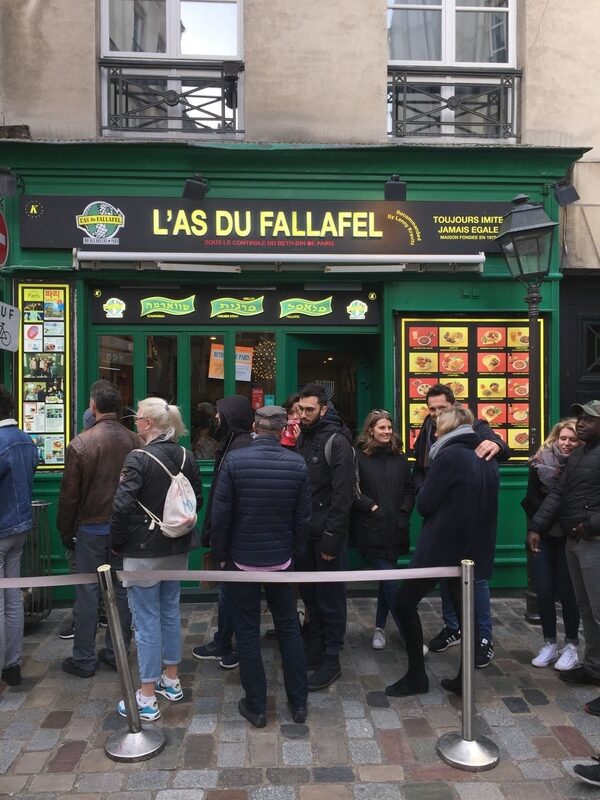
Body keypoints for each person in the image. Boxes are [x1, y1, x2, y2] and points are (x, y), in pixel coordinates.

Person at [386, 404, 500, 697]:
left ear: (445, 427)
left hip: (442, 548)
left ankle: (416, 676)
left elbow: (425, 504)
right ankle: (465, 680)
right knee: (467, 615)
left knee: (402, 602)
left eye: (436, 422)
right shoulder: (486, 455)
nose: (432, 428)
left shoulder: (449, 455)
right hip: (473, 549)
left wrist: (424, 485)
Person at [210, 405, 312, 727]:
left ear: (255, 426)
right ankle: (299, 703)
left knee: (248, 633)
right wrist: (294, 554)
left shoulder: (235, 461)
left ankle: (256, 706)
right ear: (284, 428)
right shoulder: (297, 464)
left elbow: (220, 515)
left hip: (243, 560)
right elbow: (303, 519)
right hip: (281, 560)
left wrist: (221, 554)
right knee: (289, 630)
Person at [111, 398, 203, 721]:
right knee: (170, 612)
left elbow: (121, 507)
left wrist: (117, 543)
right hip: (176, 549)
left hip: (142, 552)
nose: (135, 423)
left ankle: (147, 697)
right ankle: (172, 679)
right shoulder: (185, 455)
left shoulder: (137, 459)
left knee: (146, 621)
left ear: (148, 424)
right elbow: (196, 500)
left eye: (137, 419)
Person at [414, 383, 510, 668]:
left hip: (471, 520)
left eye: (441, 408)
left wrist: (498, 444)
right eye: (431, 409)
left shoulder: (475, 424)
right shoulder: (428, 429)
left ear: (454, 406)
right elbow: (420, 468)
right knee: (446, 573)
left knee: (475, 577)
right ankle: (453, 627)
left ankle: (483, 639)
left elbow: (498, 446)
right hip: (439, 516)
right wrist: (424, 489)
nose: (436, 414)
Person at [57, 380, 139, 678]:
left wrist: (65, 532)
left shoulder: (81, 443)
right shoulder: (135, 440)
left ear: (94, 406)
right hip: (124, 528)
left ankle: (84, 658)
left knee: (88, 593)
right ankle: (117, 653)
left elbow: (69, 497)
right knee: (122, 592)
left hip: (90, 530)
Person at [528, 401, 600, 713]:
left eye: (589, 419)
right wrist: (537, 526)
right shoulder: (581, 455)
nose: (581, 423)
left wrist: (591, 525)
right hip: (574, 537)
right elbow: (558, 493)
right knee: (586, 607)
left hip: (592, 538)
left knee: (599, 611)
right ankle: (594, 667)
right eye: (580, 418)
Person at [295, 383, 355, 690]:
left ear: (323, 409)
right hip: (306, 533)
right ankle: (315, 647)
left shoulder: (337, 441)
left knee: (330, 597)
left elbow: (343, 495)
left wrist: (332, 537)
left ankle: (332, 657)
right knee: (310, 595)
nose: (303, 415)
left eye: (309, 410)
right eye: (300, 409)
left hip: (327, 536)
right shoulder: (303, 437)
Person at [192, 395, 254, 669]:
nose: (216, 418)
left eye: (220, 414)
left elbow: (229, 501)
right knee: (228, 593)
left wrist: (219, 540)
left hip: (236, 538)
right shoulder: (231, 443)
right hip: (232, 536)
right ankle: (224, 639)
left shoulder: (239, 448)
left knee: (235, 595)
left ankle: (237, 645)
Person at [353, 409, 415, 650]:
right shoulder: (358, 456)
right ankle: (409, 633)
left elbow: (409, 488)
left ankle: (379, 627)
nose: (387, 432)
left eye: (389, 428)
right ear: (371, 430)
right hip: (371, 528)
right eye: (382, 428)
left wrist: (404, 512)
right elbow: (352, 489)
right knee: (390, 581)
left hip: (396, 529)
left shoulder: (399, 457)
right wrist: (372, 507)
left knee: (385, 582)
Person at [523, 419, 581, 670]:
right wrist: (540, 523)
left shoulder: (584, 464)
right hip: (543, 533)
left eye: (572, 439)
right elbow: (530, 498)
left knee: (568, 593)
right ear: (555, 438)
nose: (567, 443)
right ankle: (549, 643)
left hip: (570, 535)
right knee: (544, 590)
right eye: (563, 438)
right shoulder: (540, 462)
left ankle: (571, 644)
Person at [0, 387, 39, 686]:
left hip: (2, 528)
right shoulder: (26, 440)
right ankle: (12, 664)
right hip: (21, 526)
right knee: (12, 598)